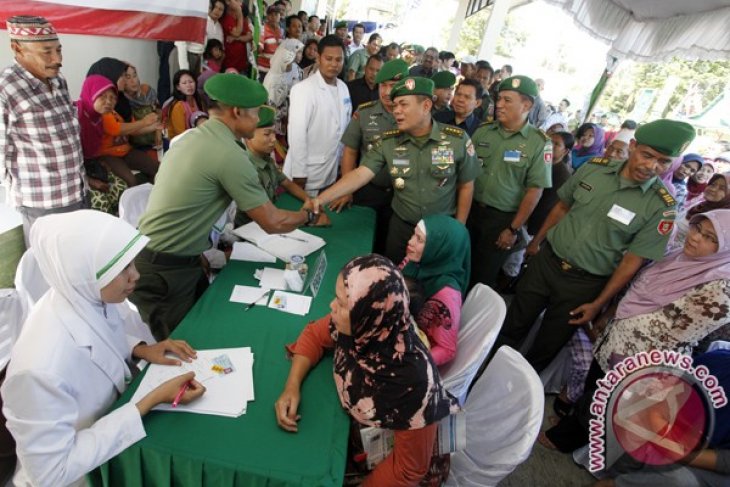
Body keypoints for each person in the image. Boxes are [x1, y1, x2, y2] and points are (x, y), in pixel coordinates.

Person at [2, 210, 206, 486]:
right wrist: (146, 403)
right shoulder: (40, 370)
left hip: (109, 432)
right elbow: (50, 474)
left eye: (132, 263)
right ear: (84, 272)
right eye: (123, 269)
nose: (136, 275)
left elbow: (102, 334)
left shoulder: (85, 294)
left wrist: (140, 348)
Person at [489, 119, 695, 373]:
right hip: (546, 263)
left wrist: (599, 303)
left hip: (584, 284)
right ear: (632, 146)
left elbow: (633, 260)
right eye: (647, 155)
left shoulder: (661, 207)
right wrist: (536, 243)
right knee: (512, 325)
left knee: (547, 345)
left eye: (663, 162)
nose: (652, 166)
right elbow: (562, 207)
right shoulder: (594, 169)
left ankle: (513, 395)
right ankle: (483, 374)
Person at [131, 74, 327, 339]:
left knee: (204, 332)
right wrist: (309, 216)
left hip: (175, 259)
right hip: (164, 272)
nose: (259, 120)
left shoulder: (193, 138)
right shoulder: (229, 154)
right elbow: (273, 222)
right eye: (256, 113)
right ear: (237, 112)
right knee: (185, 347)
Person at [542, 209, 730, 453]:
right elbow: (637, 289)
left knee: (605, 401)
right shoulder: (678, 256)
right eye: (697, 228)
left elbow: (680, 334)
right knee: (595, 387)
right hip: (616, 340)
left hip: (640, 359)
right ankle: (572, 424)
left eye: (710, 239)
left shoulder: (720, 291)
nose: (695, 238)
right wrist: (610, 316)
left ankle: (565, 439)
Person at [275, 254, 459, 486]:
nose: (332, 306)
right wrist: (292, 386)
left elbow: (406, 471)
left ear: (368, 316)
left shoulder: (414, 387)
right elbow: (315, 335)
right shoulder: (369, 326)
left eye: (342, 304)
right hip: (367, 438)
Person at [309, 76, 481, 263]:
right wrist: (320, 199)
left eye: (403, 105)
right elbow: (359, 174)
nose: (396, 110)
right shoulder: (388, 142)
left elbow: (466, 185)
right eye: (395, 105)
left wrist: (458, 228)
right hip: (402, 230)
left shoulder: (457, 140)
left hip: (441, 231)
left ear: (425, 106)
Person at [1, 16, 85, 245]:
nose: (57, 59)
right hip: (42, 202)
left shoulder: (59, 81)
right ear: (17, 48)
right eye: (46, 52)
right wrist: (16, 193)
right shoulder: (5, 89)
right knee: (49, 272)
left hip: (76, 191)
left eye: (59, 50)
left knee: (76, 260)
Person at [593, 348, 730, 487]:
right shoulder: (718, 362)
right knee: (637, 423)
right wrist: (657, 423)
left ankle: (616, 483)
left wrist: (681, 454)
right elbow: (662, 405)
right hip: (672, 428)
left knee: (680, 480)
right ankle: (613, 476)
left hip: (710, 462)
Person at [466, 75, 552, 289]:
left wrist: (512, 229)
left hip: (501, 221)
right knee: (458, 266)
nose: (499, 105)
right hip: (469, 210)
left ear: (527, 105)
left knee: (481, 277)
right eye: (499, 99)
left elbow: (534, 191)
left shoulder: (539, 143)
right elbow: (464, 170)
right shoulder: (484, 131)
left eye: (507, 100)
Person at [332, 59, 409, 254]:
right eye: (383, 85)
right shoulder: (365, 113)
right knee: (357, 244)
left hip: (401, 196)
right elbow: (350, 150)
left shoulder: (414, 117)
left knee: (391, 249)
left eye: (392, 86)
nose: (386, 91)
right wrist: (347, 189)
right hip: (368, 191)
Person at [283, 35, 352, 196]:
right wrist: (299, 174)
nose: (334, 64)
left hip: (332, 169)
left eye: (339, 60)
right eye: (329, 59)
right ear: (319, 58)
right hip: (305, 174)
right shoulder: (303, 89)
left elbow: (344, 128)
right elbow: (297, 135)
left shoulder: (343, 88)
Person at [400, 215, 470, 366]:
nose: (410, 241)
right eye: (414, 234)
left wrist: (411, 366)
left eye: (419, 239)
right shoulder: (415, 261)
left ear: (440, 249)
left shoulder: (447, 295)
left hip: (414, 352)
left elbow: (447, 350)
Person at [77, 75, 131, 214]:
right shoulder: (76, 116)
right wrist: (90, 181)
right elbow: (69, 159)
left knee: (120, 188)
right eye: (102, 96)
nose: (108, 102)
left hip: (91, 166)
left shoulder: (98, 119)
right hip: (73, 175)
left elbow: (92, 152)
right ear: (91, 94)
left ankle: (120, 228)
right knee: (100, 202)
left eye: (112, 98)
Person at [242, 105, 310, 205]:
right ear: (248, 135)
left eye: (274, 133)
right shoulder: (246, 169)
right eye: (267, 134)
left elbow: (287, 183)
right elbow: (266, 214)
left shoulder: (266, 160)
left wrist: (311, 201)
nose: (274, 139)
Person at [668, 173, 730, 253]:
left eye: (722, 189)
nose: (713, 189)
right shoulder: (699, 205)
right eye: (712, 184)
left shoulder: (721, 221)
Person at [262, 38, 304, 137]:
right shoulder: (273, 78)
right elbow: (270, 104)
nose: (298, 56)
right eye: (297, 52)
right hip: (275, 117)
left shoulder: (296, 69)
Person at [122, 64, 161, 153]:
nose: (133, 81)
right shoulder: (122, 101)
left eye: (135, 75)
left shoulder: (147, 90)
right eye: (128, 77)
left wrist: (158, 132)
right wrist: (154, 127)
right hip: (136, 146)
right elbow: (131, 130)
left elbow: (158, 112)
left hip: (156, 140)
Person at [165, 69, 206, 140]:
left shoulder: (199, 100)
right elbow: (181, 134)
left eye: (191, 82)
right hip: (180, 141)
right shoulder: (178, 106)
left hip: (197, 137)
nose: (189, 85)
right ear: (178, 87)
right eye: (184, 83)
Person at [220, 0, 251, 74]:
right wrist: (240, 13)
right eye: (237, 0)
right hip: (229, 65)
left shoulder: (242, 20)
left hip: (242, 65)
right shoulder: (226, 18)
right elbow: (237, 33)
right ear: (227, 2)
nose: (240, 3)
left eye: (241, 1)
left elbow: (250, 36)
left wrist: (236, 39)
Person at [258, 5, 283, 80]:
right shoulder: (263, 28)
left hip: (275, 70)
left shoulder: (280, 30)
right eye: (271, 14)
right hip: (263, 70)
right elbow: (259, 48)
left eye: (276, 14)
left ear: (280, 16)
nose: (274, 17)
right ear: (267, 16)